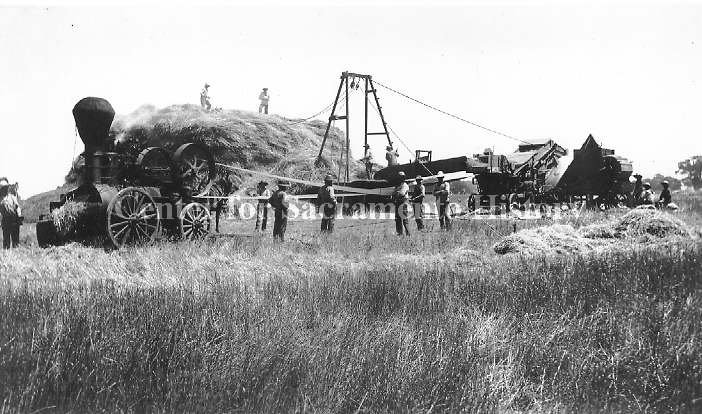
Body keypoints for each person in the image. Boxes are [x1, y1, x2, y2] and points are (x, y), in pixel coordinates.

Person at [0, 178, 22, 249]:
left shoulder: (12, 197)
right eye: (3, 188)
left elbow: (17, 207)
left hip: (14, 220)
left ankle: (16, 257)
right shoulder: (0, 199)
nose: (5, 189)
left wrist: (19, 213)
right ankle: (7, 257)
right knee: (6, 242)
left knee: (16, 242)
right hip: (6, 221)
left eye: (6, 187)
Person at [392, 171, 410, 236]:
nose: (400, 179)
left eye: (401, 177)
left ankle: (408, 234)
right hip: (398, 203)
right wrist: (396, 193)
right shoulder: (397, 186)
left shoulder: (405, 185)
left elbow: (401, 194)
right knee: (397, 219)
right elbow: (393, 193)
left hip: (403, 203)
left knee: (405, 219)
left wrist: (396, 193)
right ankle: (400, 234)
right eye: (399, 177)